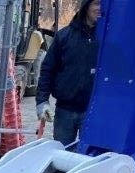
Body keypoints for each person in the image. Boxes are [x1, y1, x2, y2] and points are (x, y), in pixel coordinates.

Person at [35, 0, 101, 147]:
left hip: (94, 112)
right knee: (62, 156)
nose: (100, 8)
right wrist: (42, 101)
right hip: (65, 111)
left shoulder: (107, 40)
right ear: (86, 6)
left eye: (104, 4)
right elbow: (47, 70)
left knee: (91, 160)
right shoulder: (64, 37)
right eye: (97, 3)